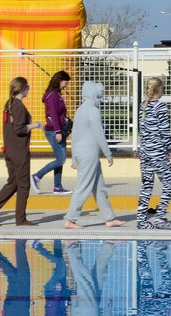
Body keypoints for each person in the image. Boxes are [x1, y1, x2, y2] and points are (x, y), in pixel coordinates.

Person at [63, 81, 125, 229]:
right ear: (93, 94)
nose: (101, 97)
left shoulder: (80, 110)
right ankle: (70, 219)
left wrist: (74, 157)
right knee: (83, 187)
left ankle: (109, 218)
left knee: (99, 187)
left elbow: (75, 135)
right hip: (89, 155)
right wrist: (108, 153)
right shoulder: (93, 111)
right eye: (99, 94)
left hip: (82, 154)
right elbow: (99, 134)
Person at [0, 77, 44, 227]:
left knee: (13, 183)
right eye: (28, 87)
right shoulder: (17, 105)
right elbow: (20, 129)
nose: (29, 89)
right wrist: (35, 125)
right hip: (19, 151)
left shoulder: (9, 103)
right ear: (23, 88)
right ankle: (21, 219)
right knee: (23, 185)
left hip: (10, 150)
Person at [136, 77, 171, 230]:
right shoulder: (160, 107)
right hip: (157, 152)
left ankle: (141, 220)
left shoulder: (143, 106)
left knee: (146, 185)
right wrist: (169, 148)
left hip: (145, 152)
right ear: (159, 89)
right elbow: (164, 130)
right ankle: (160, 217)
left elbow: (144, 129)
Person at [32, 70, 72, 195]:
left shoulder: (56, 94)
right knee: (61, 160)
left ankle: (58, 187)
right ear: (59, 80)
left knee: (60, 159)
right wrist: (58, 131)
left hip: (58, 130)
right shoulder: (53, 95)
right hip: (54, 132)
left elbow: (59, 114)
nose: (66, 85)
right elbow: (53, 114)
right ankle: (36, 177)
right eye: (65, 82)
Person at [33, 240, 70, 316]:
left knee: (60, 264)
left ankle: (38, 247)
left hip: (53, 291)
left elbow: (52, 308)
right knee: (60, 261)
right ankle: (57, 240)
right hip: (54, 293)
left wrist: (57, 292)